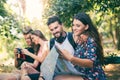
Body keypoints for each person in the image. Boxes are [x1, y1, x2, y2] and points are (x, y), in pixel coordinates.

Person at [54, 12, 107, 80]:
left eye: (78, 26)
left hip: (91, 77)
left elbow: (90, 63)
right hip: (81, 74)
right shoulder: (81, 39)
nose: (74, 28)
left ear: (86, 27)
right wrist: (64, 56)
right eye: (73, 25)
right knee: (57, 76)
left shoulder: (90, 40)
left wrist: (71, 58)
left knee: (58, 78)